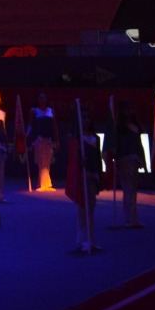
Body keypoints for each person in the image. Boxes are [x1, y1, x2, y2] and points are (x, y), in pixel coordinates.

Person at [68, 105, 102, 255]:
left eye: (88, 117)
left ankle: (91, 240)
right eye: (83, 118)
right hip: (82, 178)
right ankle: (81, 241)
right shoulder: (76, 140)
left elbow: (98, 159)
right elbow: (72, 162)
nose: (86, 120)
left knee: (91, 210)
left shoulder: (95, 138)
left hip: (93, 177)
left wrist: (98, 175)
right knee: (82, 210)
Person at [112, 99, 144, 229]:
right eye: (127, 109)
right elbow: (116, 145)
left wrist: (142, 159)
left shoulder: (136, 126)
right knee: (128, 189)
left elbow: (139, 144)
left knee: (133, 190)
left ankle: (133, 218)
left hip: (135, 159)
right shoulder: (118, 127)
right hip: (124, 159)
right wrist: (115, 160)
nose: (129, 112)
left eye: (131, 109)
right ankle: (129, 219)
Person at [28, 93, 58, 191]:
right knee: (41, 161)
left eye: (44, 98)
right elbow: (31, 125)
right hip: (39, 138)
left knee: (47, 161)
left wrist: (56, 139)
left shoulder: (51, 111)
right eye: (40, 98)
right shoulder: (34, 111)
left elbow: (54, 126)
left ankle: (47, 184)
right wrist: (29, 137)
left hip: (48, 139)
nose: (42, 100)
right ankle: (42, 184)